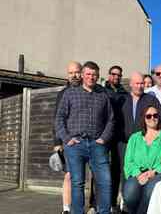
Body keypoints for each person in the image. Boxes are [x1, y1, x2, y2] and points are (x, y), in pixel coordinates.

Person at [55, 61, 115, 214]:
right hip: (76, 144)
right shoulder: (70, 93)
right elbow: (59, 118)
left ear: (98, 76)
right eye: (88, 74)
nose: (91, 77)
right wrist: (67, 139)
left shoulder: (103, 95)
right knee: (77, 183)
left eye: (94, 75)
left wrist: (104, 138)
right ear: (82, 75)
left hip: (97, 144)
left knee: (105, 181)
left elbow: (111, 119)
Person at [117, 72, 161, 211]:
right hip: (125, 142)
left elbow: (160, 117)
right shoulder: (122, 99)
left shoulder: (150, 99)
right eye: (137, 83)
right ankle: (126, 204)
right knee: (126, 173)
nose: (140, 86)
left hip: (147, 140)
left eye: (142, 83)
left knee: (148, 185)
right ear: (131, 84)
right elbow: (114, 119)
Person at [123, 105, 161, 214]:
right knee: (129, 194)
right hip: (138, 173)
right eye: (148, 116)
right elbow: (128, 161)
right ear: (144, 119)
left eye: (155, 115)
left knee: (149, 192)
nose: (152, 118)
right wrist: (138, 174)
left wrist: (154, 172)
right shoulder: (134, 138)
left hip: (159, 173)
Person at [53, 61, 82, 214]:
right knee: (69, 175)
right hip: (69, 141)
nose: (74, 76)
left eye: (76, 72)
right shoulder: (62, 94)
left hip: (87, 141)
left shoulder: (89, 91)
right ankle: (66, 209)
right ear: (67, 75)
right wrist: (57, 142)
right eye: (71, 73)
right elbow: (57, 119)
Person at [102, 65, 128, 213]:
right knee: (102, 170)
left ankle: (116, 203)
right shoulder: (102, 91)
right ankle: (97, 203)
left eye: (119, 75)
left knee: (118, 169)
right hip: (105, 136)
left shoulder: (125, 94)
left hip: (120, 137)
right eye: (113, 74)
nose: (116, 77)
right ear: (109, 75)